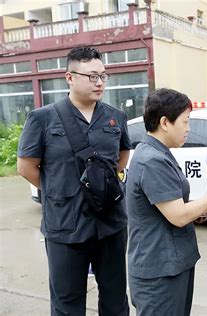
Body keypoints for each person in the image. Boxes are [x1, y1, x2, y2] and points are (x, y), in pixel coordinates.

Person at [17, 47, 131, 315]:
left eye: (103, 76)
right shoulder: (43, 118)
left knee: (115, 300)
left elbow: (122, 155)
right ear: (70, 77)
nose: (100, 82)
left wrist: (101, 186)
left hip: (110, 223)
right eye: (92, 76)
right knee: (67, 303)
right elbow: (26, 167)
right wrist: (61, 189)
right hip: (65, 226)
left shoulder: (116, 117)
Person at [126, 88, 207, 316]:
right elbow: (177, 216)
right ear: (165, 122)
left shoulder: (157, 152)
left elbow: (168, 206)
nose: (188, 129)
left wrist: (197, 209)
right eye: (185, 122)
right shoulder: (152, 160)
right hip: (159, 270)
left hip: (170, 263)